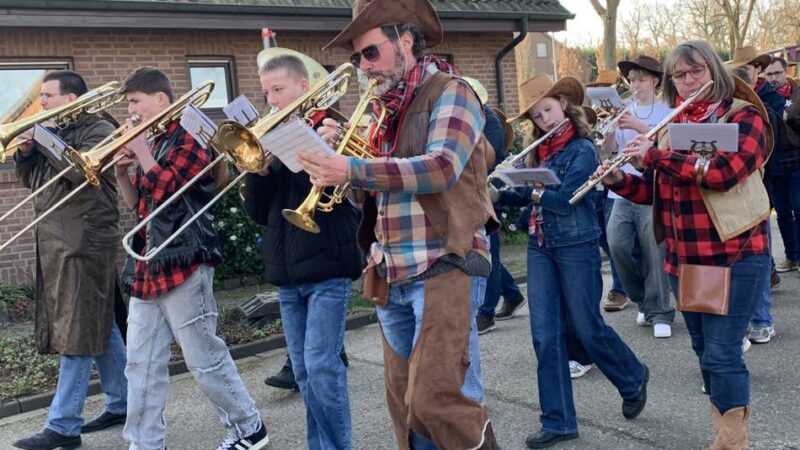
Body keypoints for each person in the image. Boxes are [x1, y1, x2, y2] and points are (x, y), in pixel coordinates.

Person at [300, 0, 501, 447]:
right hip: (389, 269)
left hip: (445, 261)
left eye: (370, 52)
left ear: (405, 40)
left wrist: (351, 168)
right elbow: (374, 192)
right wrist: (338, 165)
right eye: (357, 58)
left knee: (438, 400)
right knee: (405, 407)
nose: (363, 66)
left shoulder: (453, 91)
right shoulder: (381, 111)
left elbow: (441, 168)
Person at [601, 40, 771, 449]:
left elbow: (724, 173)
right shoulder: (671, 126)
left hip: (736, 253)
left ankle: (732, 444)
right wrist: (617, 179)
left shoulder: (742, 118)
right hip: (685, 258)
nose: (688, 81)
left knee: (722, 354)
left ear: (713, 71)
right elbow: (656, 192)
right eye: (679, 75)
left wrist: (656, 157)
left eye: (696, 71)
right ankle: (723, 436)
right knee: (702, 349)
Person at [113, 66, 268, 450]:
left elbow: (170, 192)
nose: (130, 110)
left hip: (184, 260)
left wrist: (144, 154)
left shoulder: (190, 140)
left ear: (160, 100)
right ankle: (144, 443)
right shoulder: (156, 140)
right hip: (149, 263)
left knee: (203, 356)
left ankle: (249, 428)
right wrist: (121, 175)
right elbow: (143, 207)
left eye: (135, 101)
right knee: (140, 363)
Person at [495, 74, 649, 449]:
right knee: (545, 335)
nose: (544, 120)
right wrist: (499, 190)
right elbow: (528, 196)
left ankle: (632, 375)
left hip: (576, 243)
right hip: (540, 244)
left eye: (547, 110)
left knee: (585, 325)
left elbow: (567, 200)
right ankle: (558, 421)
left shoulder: (582, 149)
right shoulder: (537, 150)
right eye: (536, 115)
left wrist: (530, 191)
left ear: (563, 104)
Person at [242, 53, 363, 449]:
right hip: (287, 273)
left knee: (322, 367)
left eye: (278, 90)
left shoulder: (333, 127)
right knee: (306, 373)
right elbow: (259, 213)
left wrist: (328, 156)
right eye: (267, 92)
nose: (272, 99)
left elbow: (352, 198)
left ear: (303, 88)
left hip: (328, 266)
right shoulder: (269, 138)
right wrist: (259, 171)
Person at [12, 70, 128, 450]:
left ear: (72, 97)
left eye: (47, 96)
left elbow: (80, 173)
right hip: (59, 238)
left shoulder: (99, 127)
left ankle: (63, 425)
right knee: (101, 322)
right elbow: (37, 182)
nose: (40, 103)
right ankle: (123, 400)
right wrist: (26, 153)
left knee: (78, 328)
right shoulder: (54, 131)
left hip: (86, 239)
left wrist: (42, 141)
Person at [602, 55, 676, 338]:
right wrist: (609, 130)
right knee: (617, 245)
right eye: (631, 80)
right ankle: (643, 300)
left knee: (653, 248)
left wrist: (636, 125)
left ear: (656, 80)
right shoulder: (624, 109)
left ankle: (660, 312)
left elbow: (669, 142)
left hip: (652, 186)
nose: (635, 85)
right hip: (621, 189)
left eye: (641, 79)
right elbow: (608, 151)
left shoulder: (667, 109)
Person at [727, 48, 786, 345]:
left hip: (763, 182)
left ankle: (761, 319)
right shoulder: (724, 108)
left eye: (748, 67)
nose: (745, 72)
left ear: (756, 70)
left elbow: (775, 143)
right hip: (731, 192)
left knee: (757, 250)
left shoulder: (768, 102)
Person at [463, 76, 526, 334]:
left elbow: (486, 160)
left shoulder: (488, 121)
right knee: (486, 250)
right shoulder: (468, 118)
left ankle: (486, 313)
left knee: (490, 250)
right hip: (470, 190)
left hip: (489, 188)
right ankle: (511, 293)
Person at [764, 56, 800, 274]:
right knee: (783, 212)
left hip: (797, 159)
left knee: (799, 208)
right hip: (775, 162)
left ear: (786, 71)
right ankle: (791, 257)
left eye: (777, 73)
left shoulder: (797, 94)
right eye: (769, 74)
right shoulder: (763, 97)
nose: (773, 78)